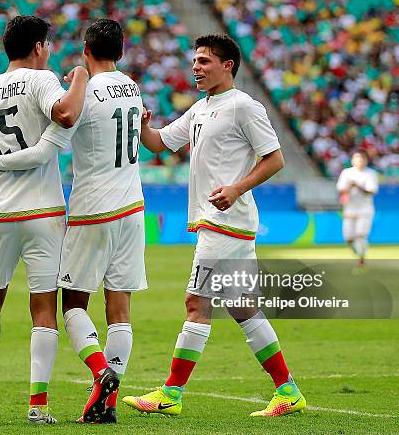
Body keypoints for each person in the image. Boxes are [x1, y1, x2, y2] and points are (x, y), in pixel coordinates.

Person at [121, 34, 306, 417]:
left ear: (228, 66)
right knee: (243, 308)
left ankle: (171, 393)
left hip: (224, 221)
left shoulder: (244, 106)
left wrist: (237, 188)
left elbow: (274, 159)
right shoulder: (200, 109)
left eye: (204, 61)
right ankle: (287, 390)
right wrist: (141, 125)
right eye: (195, 61)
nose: (196, 67)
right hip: (223, 224)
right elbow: (159, 144)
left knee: (196, 303)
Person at [0, 18, 146, 424]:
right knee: (119, 307)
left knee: (72, 304)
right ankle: (105, 402)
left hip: (93, 210)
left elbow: (41, 152)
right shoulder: (133, 88)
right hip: (134, 207)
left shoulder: (84, 93)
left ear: (86, 51)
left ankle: (100, 370)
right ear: (121, 52)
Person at [0, 15, 88, 425]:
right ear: (38, 47)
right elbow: (66, 114)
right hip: (43, 211)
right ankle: (38, 405)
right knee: (43, 308)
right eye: (47, 45)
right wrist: (80, 77)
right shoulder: (41, 79)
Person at [337, 149, 379, 266]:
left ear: (366, 160)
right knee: (348, 238)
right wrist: (348, 188)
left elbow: (370, 192)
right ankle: (359, 251)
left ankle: (361, 258)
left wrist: (357, 186)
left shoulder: (370, 173)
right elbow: (340, 189)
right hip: (350, 208)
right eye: (357, 157)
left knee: (361, 234)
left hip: (365, 209)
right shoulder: (346, 173)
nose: (359, 160)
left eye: (362, 158)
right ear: (352, 160)